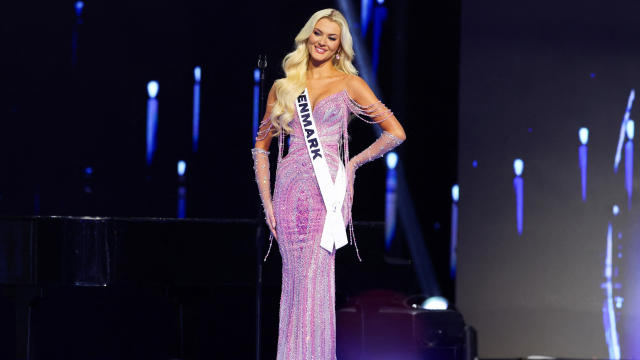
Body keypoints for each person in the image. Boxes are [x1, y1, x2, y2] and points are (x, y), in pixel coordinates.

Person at [251, 8, 406, 360]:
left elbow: (396, 133)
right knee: (294, 283)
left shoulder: (350, 84)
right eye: (317, 34)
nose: (322, 41)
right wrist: (268, 203)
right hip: (288, 192)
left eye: (331, 37)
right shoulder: (284, 86)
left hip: (328, 192)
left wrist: (352, 163)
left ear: (339, 47)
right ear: (308, 36)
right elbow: (261, 149)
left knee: (314, 282)